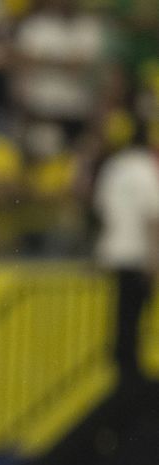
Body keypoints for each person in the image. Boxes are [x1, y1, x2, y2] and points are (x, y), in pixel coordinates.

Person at [93, 115, 159, 393]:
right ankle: (132, 373)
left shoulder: (113, 167)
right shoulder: (145, 169)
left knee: (122, 313)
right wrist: (154, 258)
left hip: (113, 249)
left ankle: (122, 368)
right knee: (136, 312)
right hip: (137, 252)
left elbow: (100, 208)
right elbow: (152, 217)